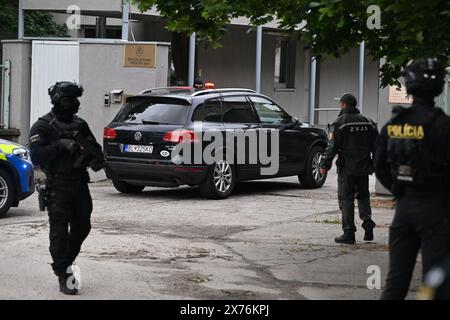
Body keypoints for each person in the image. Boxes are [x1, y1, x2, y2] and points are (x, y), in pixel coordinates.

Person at [375, 58, 450, 299]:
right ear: (439, 85)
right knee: (434, 283)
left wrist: (401, 192)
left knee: (395, 282)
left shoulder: (394, 125)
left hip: (404, 210)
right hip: (436, 210)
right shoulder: (444, 125)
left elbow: (380, 167)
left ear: (408, 84)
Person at [29, 82, 104, 295]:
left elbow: (94, 149)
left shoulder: (80, 124)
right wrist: (60, 145)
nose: (74, 104)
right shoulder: (43, 126)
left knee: (83, 226)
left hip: (79, 184)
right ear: (59, 100)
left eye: (76, 99)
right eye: (70, 99)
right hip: (57, 185)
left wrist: (94, 159)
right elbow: (35, 155)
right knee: (59, 235)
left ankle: (65, 261)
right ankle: (64, 273)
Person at [319, 93, 378, 244]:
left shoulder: (340, 122)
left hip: (347, 169)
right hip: (363, 168)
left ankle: (349, 233)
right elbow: (377, 146)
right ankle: (368, 224)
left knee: (346, 199)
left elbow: (332, 147)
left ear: (344, 105)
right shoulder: (368, 121)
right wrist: (375, 164)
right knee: (363, 197)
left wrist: (324, 165)